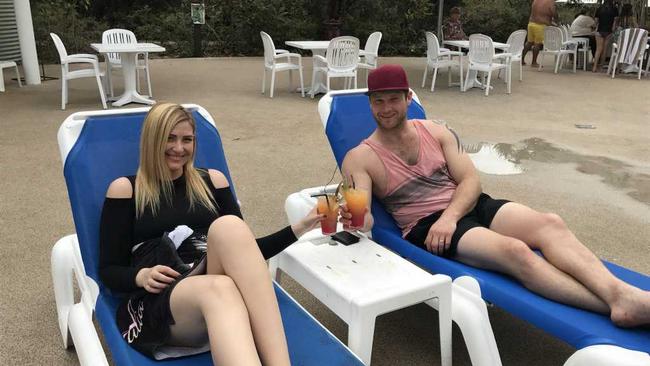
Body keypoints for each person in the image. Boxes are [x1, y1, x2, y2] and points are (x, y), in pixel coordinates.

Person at [340, 64, 650, 328]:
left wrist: (451, 216)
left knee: (550, 223)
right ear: (370, 103)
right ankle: (615, 306)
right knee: (516, 251)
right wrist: (355, 218)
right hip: (427, 225)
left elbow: (471, 180)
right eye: (377, 101)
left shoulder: (435, 131)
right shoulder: (360, 157)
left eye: (393, 99)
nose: (385, 109)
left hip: (464, 207)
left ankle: (621, 295)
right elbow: (362, 215)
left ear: (408, 98)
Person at [99, 103, 323, 364]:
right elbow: (109, 270)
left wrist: (301, 227)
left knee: (228, 228)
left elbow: (245, 253)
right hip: (168, 301)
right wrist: (141, 275)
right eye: (169, 138)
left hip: (212, 274)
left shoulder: (212, 181)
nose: (179, 148)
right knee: (220, 288)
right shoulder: (127, 190)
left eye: (187, 139)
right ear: (152, 140)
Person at [521, 0, 557, 67]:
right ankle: (534, 62)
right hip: (540, 25)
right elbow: (553, 13)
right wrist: (556, 20)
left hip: (531, 23)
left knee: (529, 42)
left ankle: (521, 59)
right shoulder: (550, 2)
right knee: (537, 43)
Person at [592, 0, 619, 72]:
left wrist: (594, 28)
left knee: (598, 49)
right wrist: (613, 28)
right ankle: (601, 66)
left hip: (599, 30)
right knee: (605, 49)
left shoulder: (599, 8)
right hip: (609, 31)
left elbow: (596, 21)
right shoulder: (614, 9)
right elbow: (615, 21)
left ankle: (594, 67)